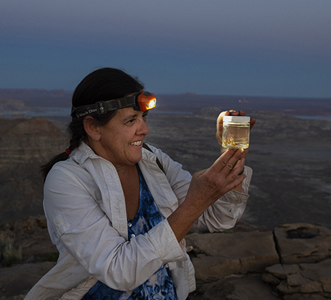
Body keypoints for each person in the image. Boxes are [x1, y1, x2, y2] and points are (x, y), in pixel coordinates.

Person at [25, 67, 254, 300]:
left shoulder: (152, 160)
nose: (144, 129)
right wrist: (195, 202)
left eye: (143, 117)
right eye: (130, 120)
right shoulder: (67, 179)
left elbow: (219, 217)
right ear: (93, 127)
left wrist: (232, 154)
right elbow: (119, 271)